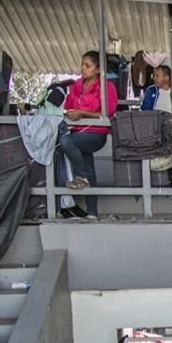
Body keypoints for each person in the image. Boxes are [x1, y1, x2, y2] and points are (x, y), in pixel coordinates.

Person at [57, 50, 118, 218]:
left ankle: (81, 176)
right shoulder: (75, 86)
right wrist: (69, 113)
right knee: (90, 172)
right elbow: (69, 107)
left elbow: (109, 111)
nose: (83, 68)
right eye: (82, 65)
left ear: (98, 69)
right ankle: (92, 212)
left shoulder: (106, 87)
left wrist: (83, 113)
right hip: (78, 132)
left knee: (66, 142)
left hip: (96, 134)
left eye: (88, 66)